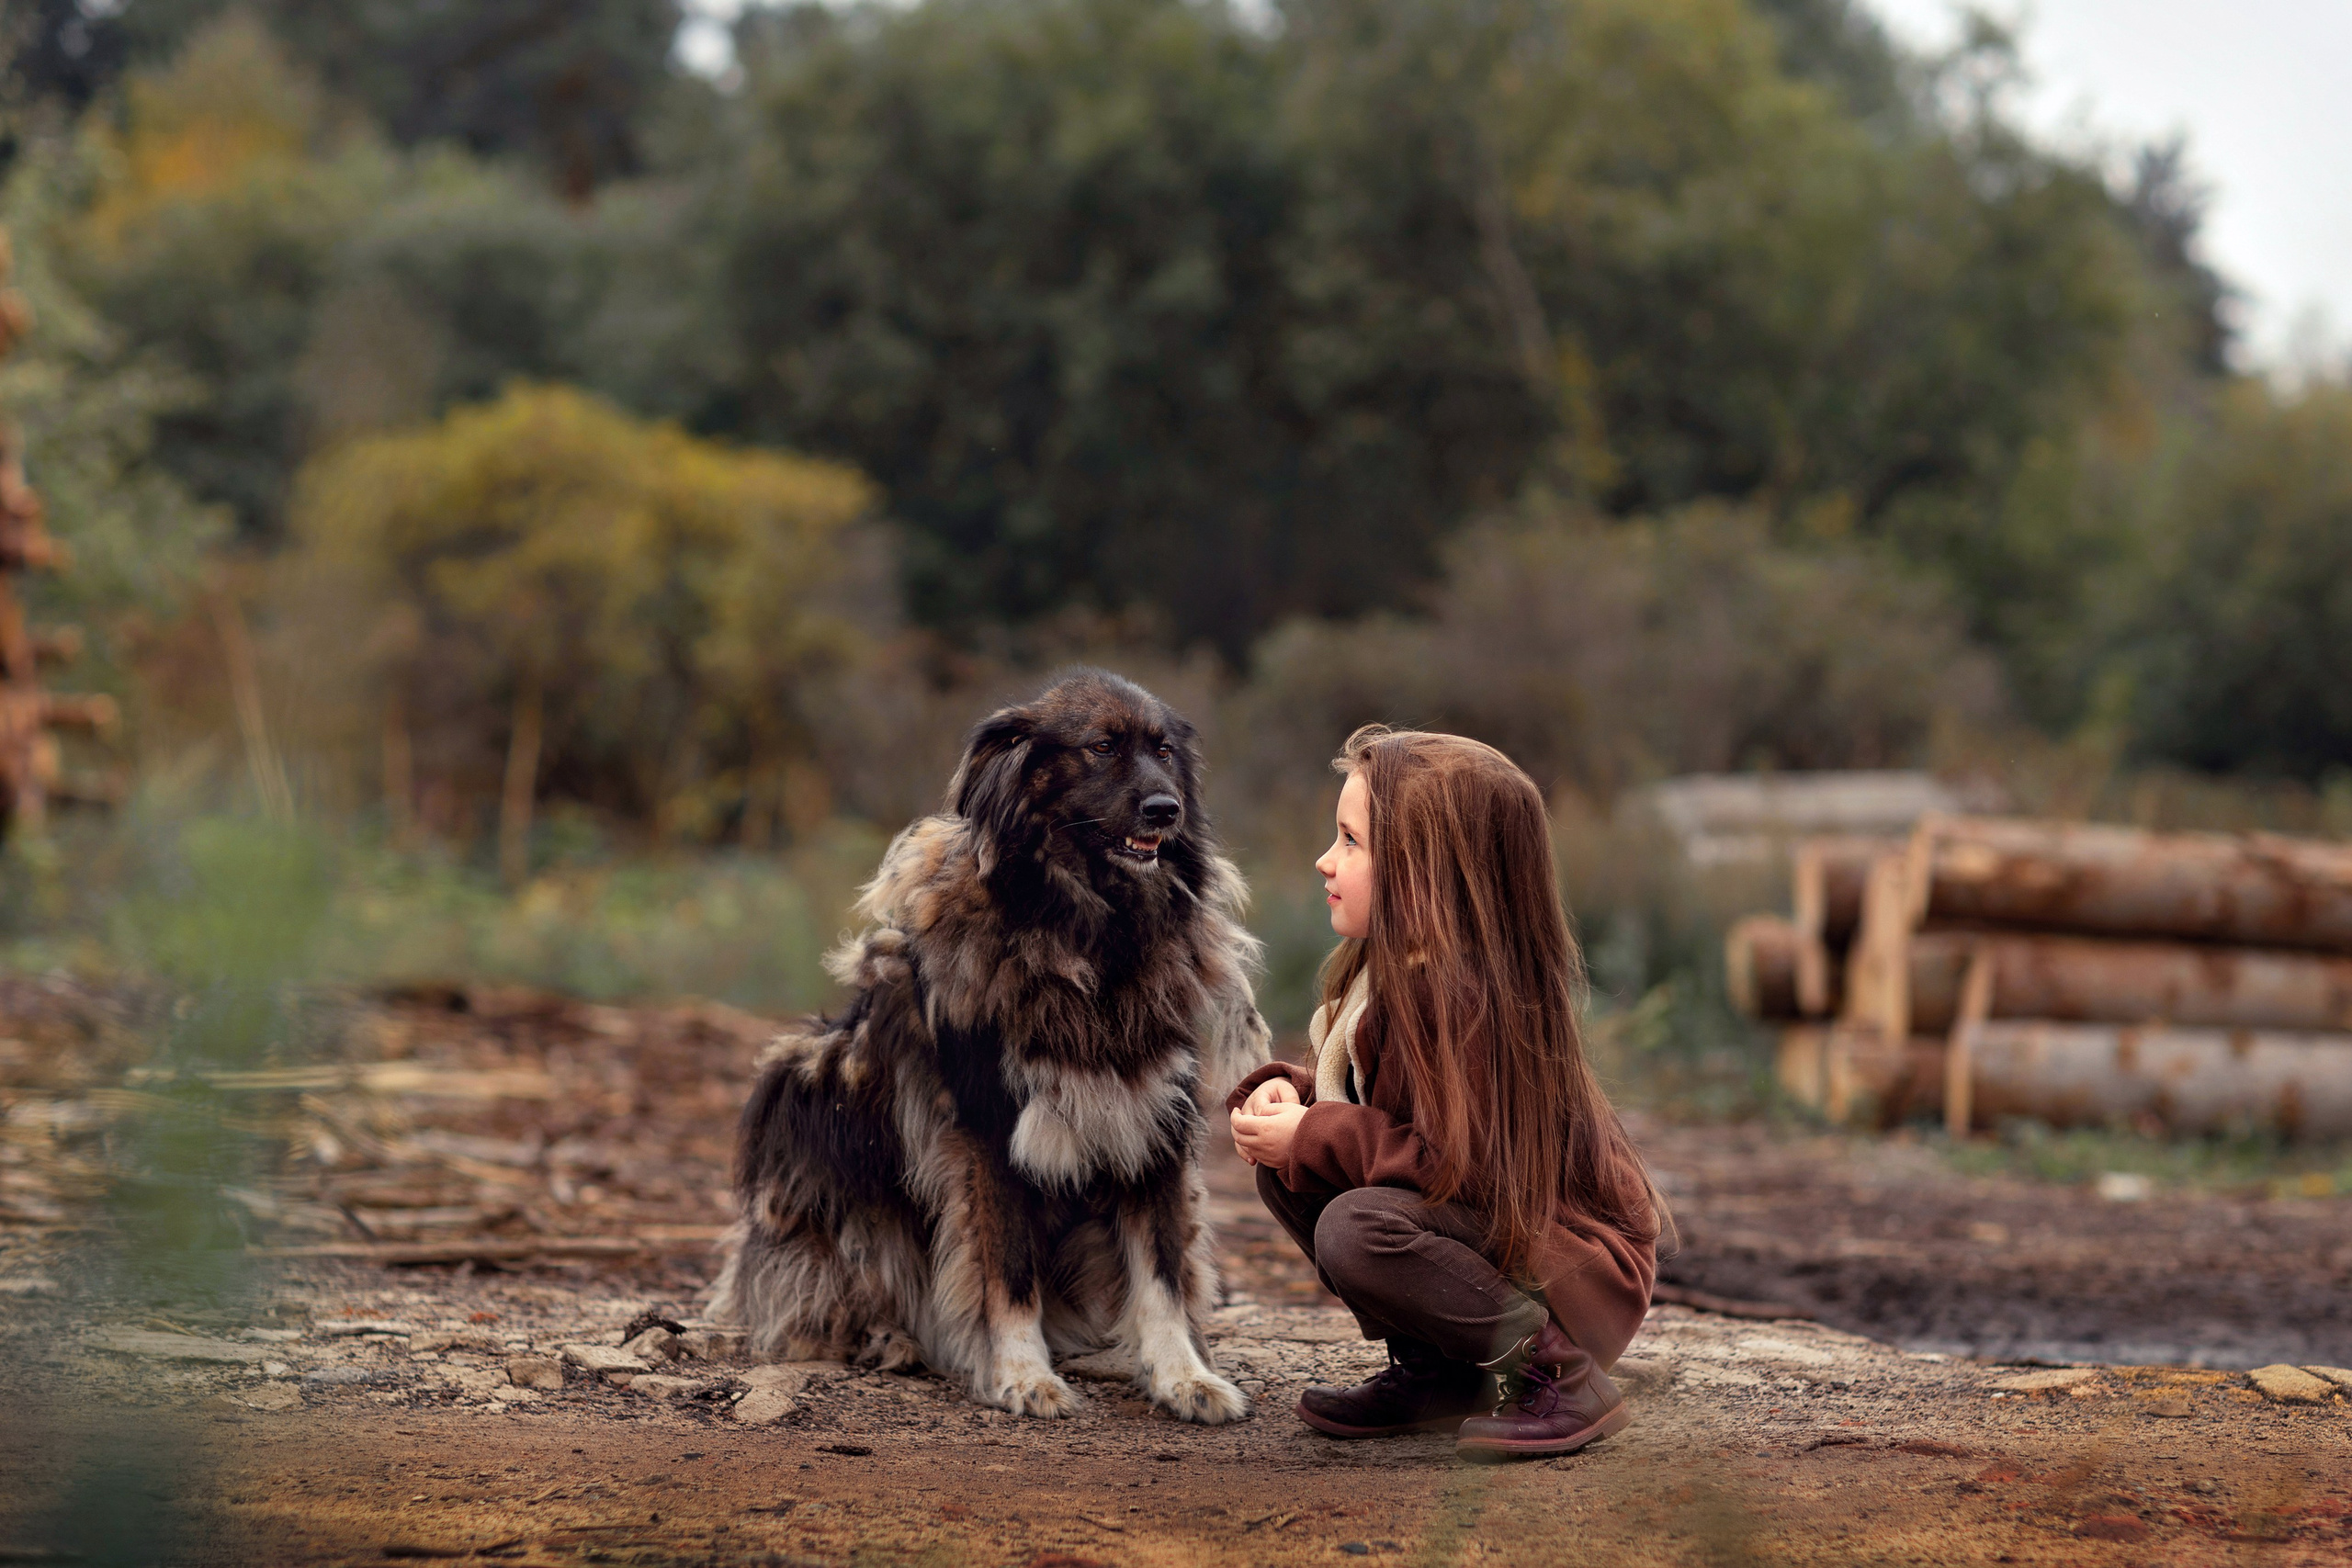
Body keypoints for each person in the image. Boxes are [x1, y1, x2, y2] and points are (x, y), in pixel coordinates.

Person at [1227, 726, 1664, 1461]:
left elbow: (1458, 1167)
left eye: (1350, 840)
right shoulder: (1392, 975)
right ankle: (1443, 1374)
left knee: (1356, 1226)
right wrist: (1297, 1099)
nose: (1325, 860)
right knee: (1292, 1169)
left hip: (1579, 1265)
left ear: (1422, 869)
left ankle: (1555, 1374)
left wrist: (1316, 1131)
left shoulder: (1465, 997)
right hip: (1508, 1232)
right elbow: (1392, 1111)